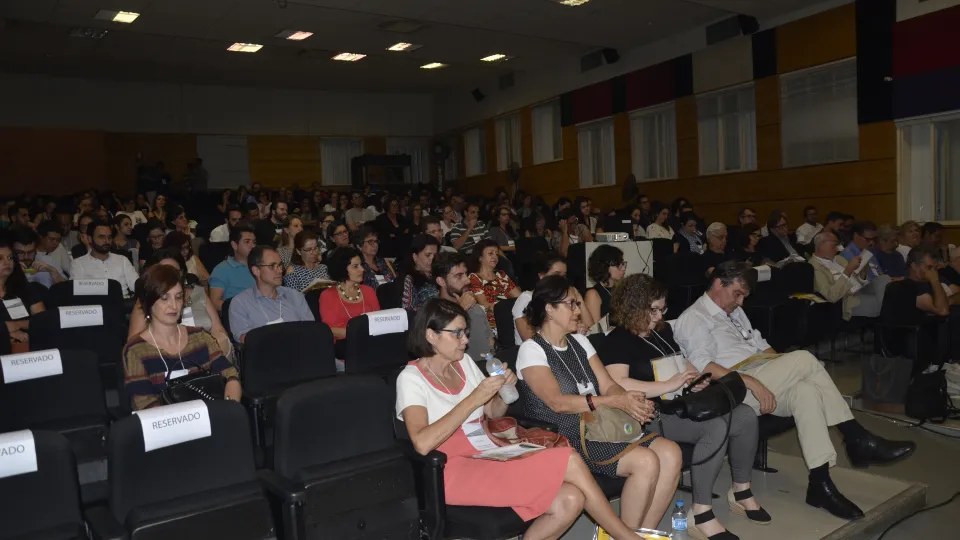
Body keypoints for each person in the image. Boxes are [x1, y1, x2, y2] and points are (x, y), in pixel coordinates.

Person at [672, 261, 915, 520]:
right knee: (805, 359)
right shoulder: (694, 318)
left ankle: (820, 484)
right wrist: (753, 382)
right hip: (732, 388)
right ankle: (856, 437)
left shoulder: (733, 312)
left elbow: (762, 347)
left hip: (761, 374)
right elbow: (703, 367)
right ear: (719, 283)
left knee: (806, 391)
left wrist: (783, 373)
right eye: (738, 294)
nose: (741, 302)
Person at [396, 298, 645, 540]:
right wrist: (474, 397)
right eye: (457, 333)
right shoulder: (411, 378)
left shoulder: (464, 363)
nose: (466, 340)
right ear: (431, 335)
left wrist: (504, 392)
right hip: (450, 468)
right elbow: (422, 442)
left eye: (466, 332)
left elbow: (492, 413)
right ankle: (626, 537)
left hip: (488, 449)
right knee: (568, 459)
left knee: (570, 499)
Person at [599, 274, 769, 539]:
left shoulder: (662, 332)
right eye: (653, 309)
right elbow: (618, 383)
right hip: (651, 412)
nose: (658, 316)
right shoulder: (617, 340)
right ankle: (701, 514)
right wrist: (668, 384)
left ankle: (741, 489)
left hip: (679, 402)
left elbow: (683, 361)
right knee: (715, 426)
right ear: (632, 307)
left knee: (745, 415)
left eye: (662, 309)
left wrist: (696, 379)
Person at [517, 276, 682, 530]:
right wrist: (614, 400)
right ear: (549, 308)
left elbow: (608, 384)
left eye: (578, 304)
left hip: (600, 426)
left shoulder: (580, 341)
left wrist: (626, 400)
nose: (578, 310)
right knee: (646, 461)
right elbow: (557, 403)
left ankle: (641, 532)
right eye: (571, 304)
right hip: (566, 435)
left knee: (671, 452)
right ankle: (625, 535)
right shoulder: (532, 349)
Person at [122, 264, 241, 411]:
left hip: (211, 419)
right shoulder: (136, 350)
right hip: (165, 427)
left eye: (178, 297)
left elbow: (230, 374)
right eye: (164, 298)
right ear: (149, 302)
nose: (174, 305)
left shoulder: (200, 336)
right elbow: (145, 405)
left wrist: (229, 409)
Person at [128, 249, 232, 358]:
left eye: (174, 271)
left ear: (182, 273)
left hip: (209, 353)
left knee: (221, 339)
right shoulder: (147, 302)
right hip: (165, 356)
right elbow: (134, 344)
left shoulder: (199, 292)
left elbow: (218, 329)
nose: (170, 277)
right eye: (164, 272)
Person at [228, 246, 315, 343]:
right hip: (266, 354)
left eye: (280, 265)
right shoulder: (241, 302)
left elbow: (311, 329)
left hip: (301, 350)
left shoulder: (294, 295)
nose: (280, 270)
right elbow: (245, 339)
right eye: (272, 266)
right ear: (256, 271)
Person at [426, 252, 495, 358]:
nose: (467, 280)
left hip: (487, 363)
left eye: (466, 274)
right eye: (459, 276)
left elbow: (490, 341)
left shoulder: (474, 307)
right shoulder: (432, 311)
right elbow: (437, 351)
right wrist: (461, 309)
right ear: (441, 281)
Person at [319, 246, 381, 359]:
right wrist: (359, 334)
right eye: (355, 266)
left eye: (361, 265)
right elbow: (330, 330)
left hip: (370, 344)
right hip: (345, 348)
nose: (362, 269)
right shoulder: (328, 295)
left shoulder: (369, 291)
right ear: (342, 268)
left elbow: (378, 322)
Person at [834, 222, 892, 319]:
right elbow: (851, 285)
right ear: (856, 236)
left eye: (874, 239)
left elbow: (879, 274)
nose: (872, 243)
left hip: (874, 289)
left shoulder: (869, 253)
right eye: (868, 239)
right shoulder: (846, 255)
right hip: (856, 292)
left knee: (886, 280)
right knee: (883, 282)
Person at [70, 220, 139, 297]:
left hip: (122, 304)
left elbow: (137, 286)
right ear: (90, 239)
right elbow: (76, 291)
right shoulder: (78, 263)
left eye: (109, 237)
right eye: (101, 237)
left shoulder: (122, 260)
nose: (107, 241)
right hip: (94, 306)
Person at [513, 252, 568, 345]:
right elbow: (530, 340)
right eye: (557, 274)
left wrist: (578, 297)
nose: (561, 280)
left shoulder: (564, 299)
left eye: (564, 275)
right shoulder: (526, 299)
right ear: (541, 276)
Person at [468, 239, 520, 332]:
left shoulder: (501, 274)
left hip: (510, 315)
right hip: (491, 322)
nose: (495, 257)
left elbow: (519, 297)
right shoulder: (474, 278)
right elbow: (485, 305)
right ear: (480, 257)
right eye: (490, 253)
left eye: (496, 254)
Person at [1, 237, 45, 347]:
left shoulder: (25, 288)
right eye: (0, 258)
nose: (7, 262)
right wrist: (6, 331)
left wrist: (16, 324)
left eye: (10, 257)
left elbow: (43, 321)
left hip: (28, 344)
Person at [208, 226, 257, 311]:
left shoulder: (261, 265)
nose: (252, 245)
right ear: (234, 245)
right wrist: (241, 310)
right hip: (238, 315)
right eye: (247, 242)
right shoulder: (222, 269)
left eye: (254, 242)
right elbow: (215, 303)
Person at [584, 244, 626, 324]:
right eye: (618, 265)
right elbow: (596, 330)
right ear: (604, 267)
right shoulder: (593, 294)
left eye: (623, 264)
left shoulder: (619, 289)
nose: (623, 268)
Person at [400, 234, 440, 311]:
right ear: (415, 256)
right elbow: (408, 311)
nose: (432, 259)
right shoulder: (408, 279)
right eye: (428, 255)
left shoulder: (439, 274)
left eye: (435, 255)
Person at [356, 224, 397, 289]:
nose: (375, 245)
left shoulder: (383, 262)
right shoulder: (358, 267)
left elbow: (396, 283)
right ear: (359, 246)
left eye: (376, 241)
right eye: (370, 241)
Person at [374, 195, 410, 260]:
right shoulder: (381, 219)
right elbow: (385, 237)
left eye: (396, 205)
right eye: (392, 205)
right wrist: (401, 233)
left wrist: (395, 234)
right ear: (387, 206)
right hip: (386, 250)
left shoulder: (401, 218)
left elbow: (406, 233)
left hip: (401, 249)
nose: (395, 207)